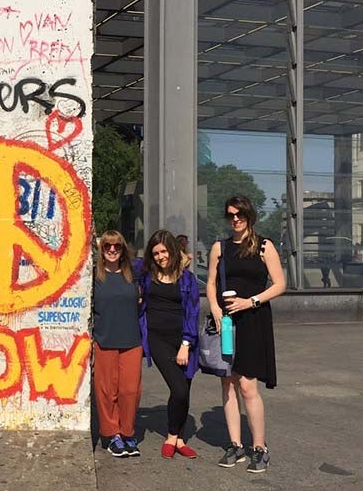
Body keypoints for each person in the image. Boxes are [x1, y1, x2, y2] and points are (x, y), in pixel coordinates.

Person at [206, 196, 285, 473]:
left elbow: (280, 284)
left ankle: (260, 447)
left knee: (248, 386)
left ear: (249, 215)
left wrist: (249, 301)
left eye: (239, 214)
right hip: (226, 322)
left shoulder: (265, 246)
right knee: (227, 383)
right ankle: (236, 444)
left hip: (252, 319)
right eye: (230, 215)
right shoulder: (220, 247)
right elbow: (211, 282)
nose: (235, 219)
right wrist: (215, 308)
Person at [137, 230, 201, 460]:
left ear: (173, 250)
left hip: (184, 340)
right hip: (158, 339)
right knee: (179, 388)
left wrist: (186, 343)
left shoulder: (187, 279)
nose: (160, 256)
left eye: (164, 251)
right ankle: (171, 436)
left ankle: (179, 439)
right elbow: (125, 259)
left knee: (185, 390)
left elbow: (193, 312)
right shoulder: (146, 275)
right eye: (155, 253)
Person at [92, 230, 142, 458]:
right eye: (107, 246)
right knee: (106, 391)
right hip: (104, 340)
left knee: (130, 390)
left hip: (131, 340)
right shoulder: (94, 276)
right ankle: (112, 434)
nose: (112, 250)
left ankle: (127, 432)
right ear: (101, 250)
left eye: (117, 246)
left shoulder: (134, 274)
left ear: (123, 250)